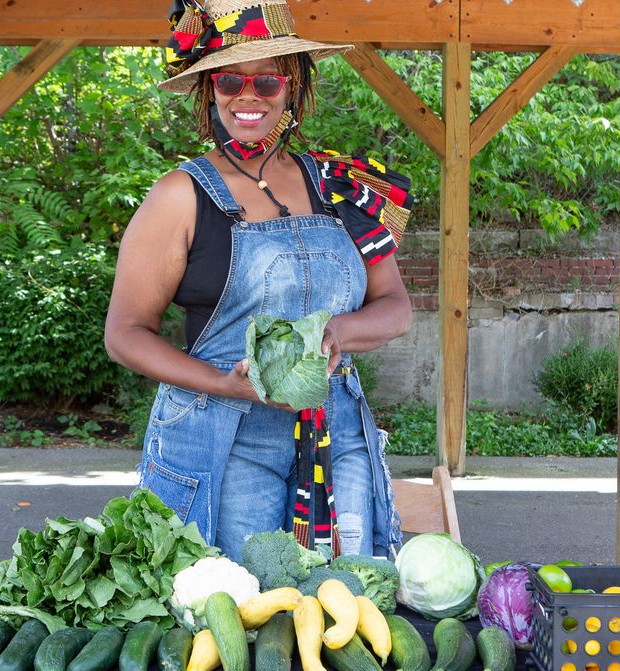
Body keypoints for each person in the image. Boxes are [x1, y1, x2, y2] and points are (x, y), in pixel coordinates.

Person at [104, 0, 413, 561]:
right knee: (237, 610)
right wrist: (224, 383)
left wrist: (333, 333)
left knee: (348, 603)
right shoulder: (179, 196)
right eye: (229, 81)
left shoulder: (342, 185)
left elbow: (395, 307)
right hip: (222, 436)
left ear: (292, 86)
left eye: (267, 81)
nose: (248, 96)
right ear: (209, 89)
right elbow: (125, 333)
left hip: (334, 434)